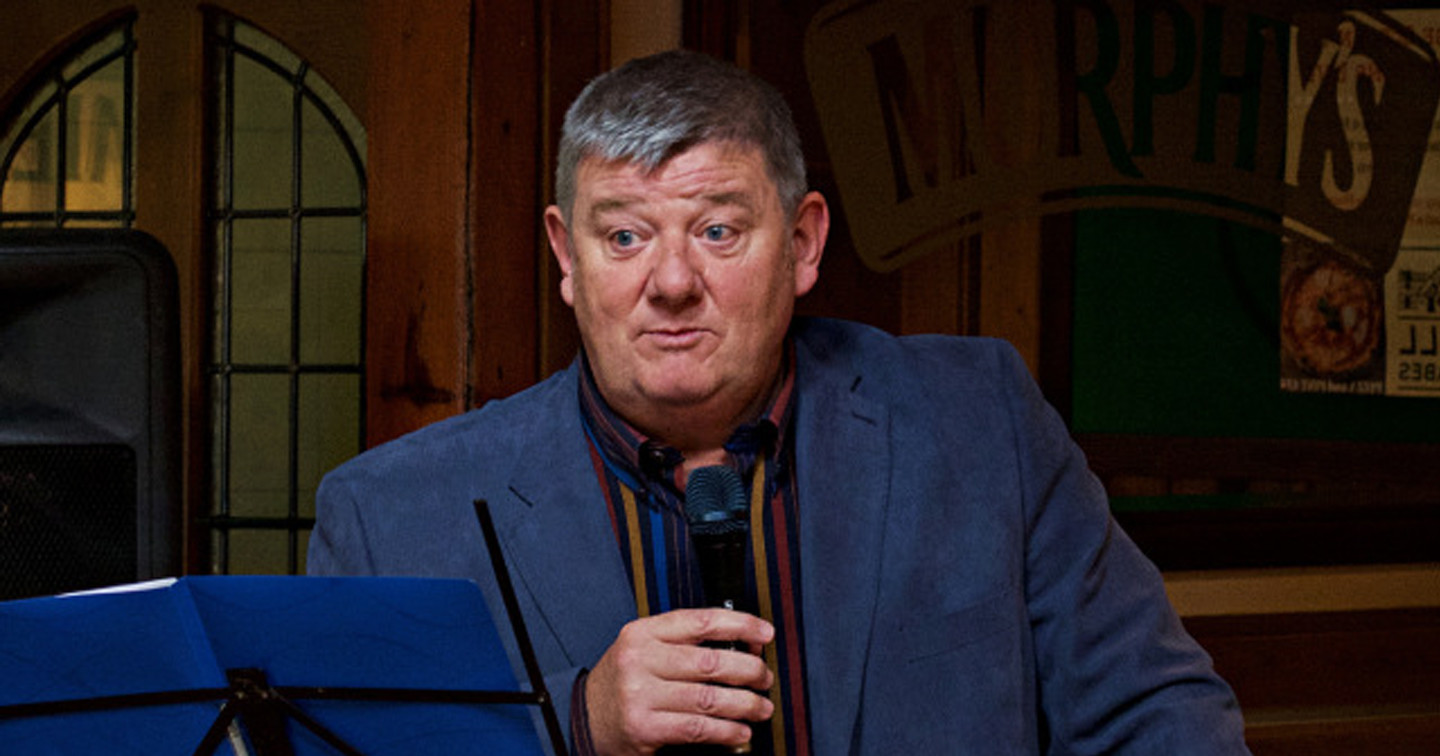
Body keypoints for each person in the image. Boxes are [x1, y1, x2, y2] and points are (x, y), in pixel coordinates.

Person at [309, 49, 1249, 755]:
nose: (672, 281)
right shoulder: (394, 516)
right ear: (567, 256)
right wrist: (579, 719)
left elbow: (1159, 717)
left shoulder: (978, 425)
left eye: (718, 229)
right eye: (626, 236)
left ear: (802, 243)